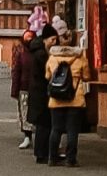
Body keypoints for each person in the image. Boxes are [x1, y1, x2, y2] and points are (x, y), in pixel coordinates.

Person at [44, 16, 90, 166]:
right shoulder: (80, 56)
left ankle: (52, 158)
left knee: (56, 129)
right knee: (72, 130)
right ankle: (71, 159)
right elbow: (87, 76)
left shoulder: (52, 57)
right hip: (75, 99)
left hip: (56, 99)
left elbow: (47, 76)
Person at [23, 25, 54, 164]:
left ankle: (40, 152)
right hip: (41, 93)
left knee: (43, 124)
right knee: (44, 124)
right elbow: (46, 73)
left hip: (37, 92)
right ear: (46, 39)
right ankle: (42, 153)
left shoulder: (36, 51)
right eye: (53, 39)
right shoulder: (41, 54)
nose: (54, 42)